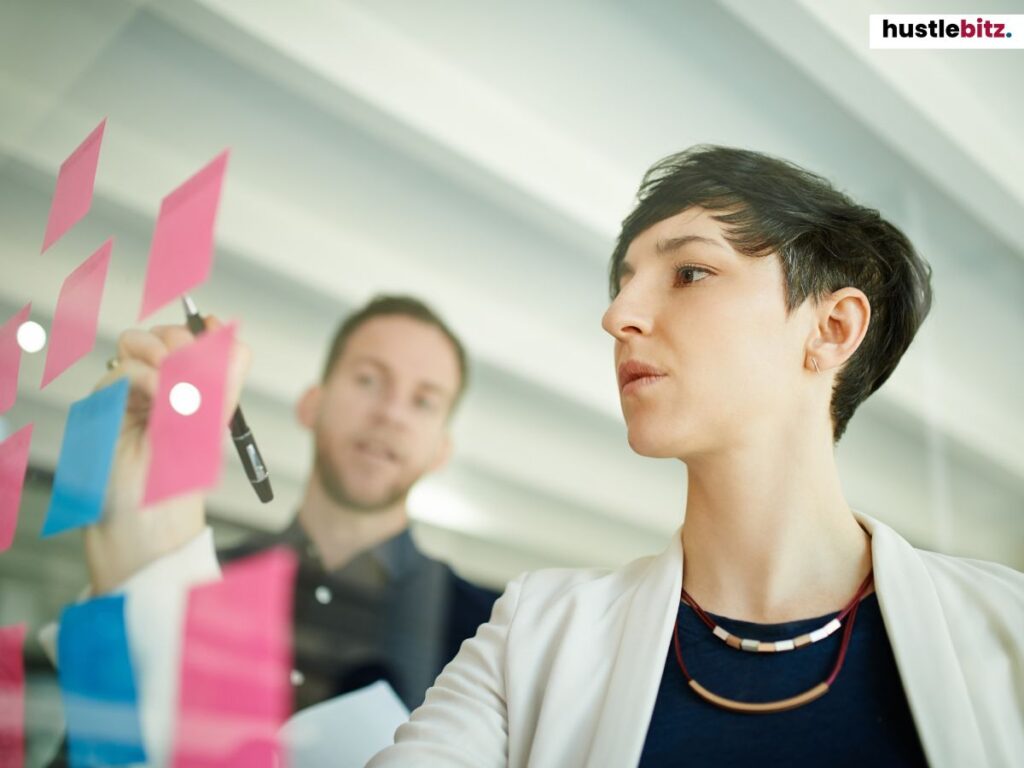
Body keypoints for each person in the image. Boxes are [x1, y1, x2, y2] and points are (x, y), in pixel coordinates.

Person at [363, 146, 1024, 767]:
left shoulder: (1008, 629)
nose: (618, 315)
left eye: (690, 273)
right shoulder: (535, 632)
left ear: (831, 329)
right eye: (623, 284)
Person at [47, 295, 499, 764]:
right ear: (311, 405)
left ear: (441, 450)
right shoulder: (184, 572)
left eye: (424, 401)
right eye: (368, 380)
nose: (391, 414)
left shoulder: (489, 633)